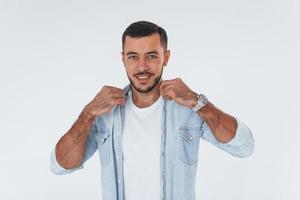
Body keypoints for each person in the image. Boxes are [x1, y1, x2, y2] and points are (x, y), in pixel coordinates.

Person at [50, 21, 254, 200]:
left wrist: (196, 102)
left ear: (166, 58)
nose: (142, 67)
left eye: (151, 56)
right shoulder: (106, 112)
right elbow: (60, 166)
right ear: (123, 59)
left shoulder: (187, 109)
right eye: (133, 57)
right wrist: (87, 114)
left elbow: (244, 146)